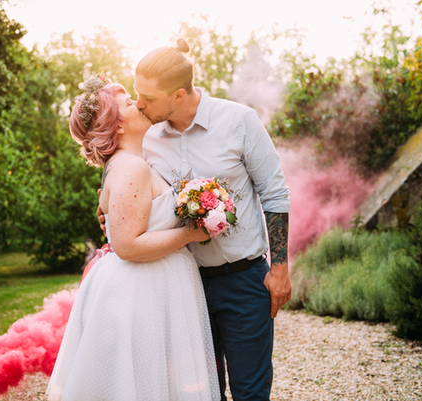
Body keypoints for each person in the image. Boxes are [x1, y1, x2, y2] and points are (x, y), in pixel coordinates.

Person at [100, 39, 291, 401]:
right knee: (198, 393)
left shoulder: (240, 121)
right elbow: (133, 192)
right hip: (182, 286)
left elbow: (275, 193)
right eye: (136, 95)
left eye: (148, 97)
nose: (139, 104)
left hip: (243, 280)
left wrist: (279, 266)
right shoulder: (147, 137)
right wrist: (108, 208)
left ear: (179, 94)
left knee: (251, 392)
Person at [46, 75, 221, 401]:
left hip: (146, 285)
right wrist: (192, 233)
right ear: (119, 125)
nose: (139, 103)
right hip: (142, 292)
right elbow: (127, 246)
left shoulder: (127, 164)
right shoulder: (131, 168)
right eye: (129, 103)